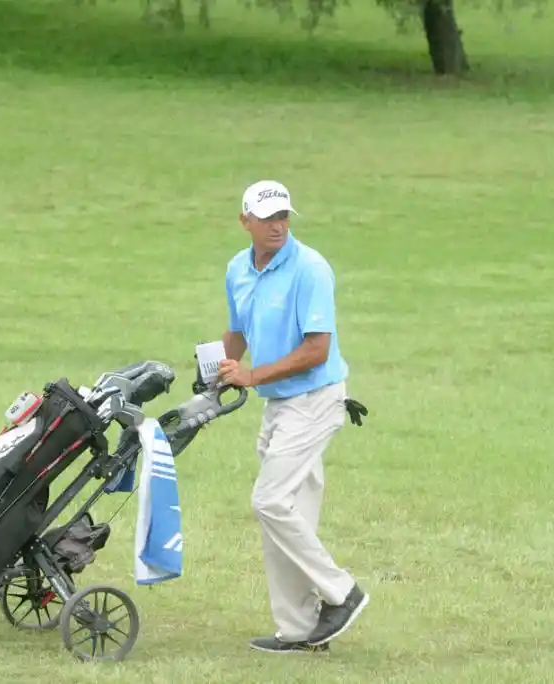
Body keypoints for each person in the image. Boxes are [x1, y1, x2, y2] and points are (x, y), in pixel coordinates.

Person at [216, 179, 369, 654]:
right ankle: (300, 628)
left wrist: (252, 376)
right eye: (267, 217)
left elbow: (316, 351)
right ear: (246, 221)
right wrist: (218, 369)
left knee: (269, 500)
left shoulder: (310, 268)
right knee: (288, 512)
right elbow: (238, 329)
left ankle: (342, 592)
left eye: (283, 215)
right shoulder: (239, 268)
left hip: (315, 399)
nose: (278, 224)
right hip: (279, 403)